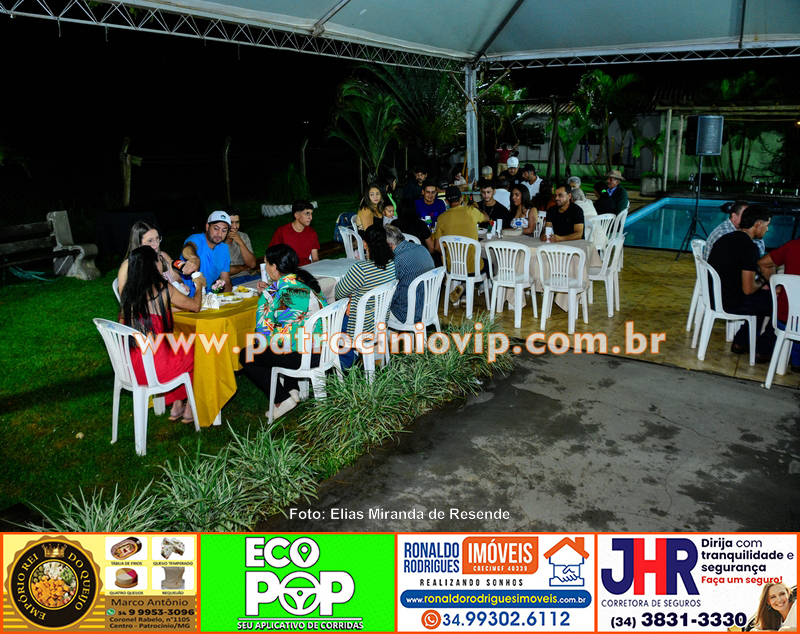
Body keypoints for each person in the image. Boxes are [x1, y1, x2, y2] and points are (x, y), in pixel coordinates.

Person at [239, 244, 328, 419]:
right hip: (323, 349)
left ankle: (282, 398)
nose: (266, 268)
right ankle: (292, 388)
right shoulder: (308, 282)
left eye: (266, 264)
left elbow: (262, 335)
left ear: (274, 267)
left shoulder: (274, 294)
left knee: (248, 354)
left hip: (301, 356)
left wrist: (267, 296)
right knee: (289, 338)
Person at [120, 246, 204, 423]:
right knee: (199, 347)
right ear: (152, 265)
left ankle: (177, 404)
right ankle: (190, 406)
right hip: (155, 369)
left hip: (132, 368)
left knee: (179, 348)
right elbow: (195, 306)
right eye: (159, 260)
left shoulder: (128, 292)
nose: (161, 263)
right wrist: (199, 286)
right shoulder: (162, 288)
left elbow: (149, 314)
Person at [707, 205, 775, 361]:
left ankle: (742, 341)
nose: (767, 229)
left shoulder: (725, 239)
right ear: (758, 224)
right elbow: (748, 290)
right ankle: (764, 349)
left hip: (715, 296)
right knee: (780, 304)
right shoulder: (749, 248)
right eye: (767, 225)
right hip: (731, 302)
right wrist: (763, 279)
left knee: (763, 298)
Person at [335, 225, 397, 366]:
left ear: (364, 243)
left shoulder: (361, 269)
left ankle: (344, 364)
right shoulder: (392, 265)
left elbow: (338, 293)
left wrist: (351, 297)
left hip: (359, 326)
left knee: (329, 324)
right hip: (380, 322)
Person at [433, 186, 490, 304]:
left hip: (453, 268)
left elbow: (437, 247)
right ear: (461, 199)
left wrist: (450, 253)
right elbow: (487, 218)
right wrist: (477, 207)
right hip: (472, 267)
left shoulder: (441, 218)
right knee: (489, 265)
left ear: (446, 201)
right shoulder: (471, 211)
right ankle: (464, 287)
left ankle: (463, 289)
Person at [759, 236, 800, 371]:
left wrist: (776, 285)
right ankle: (796, 360)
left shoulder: (792, 246)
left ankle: (765, 350)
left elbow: (763, 263)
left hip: (783, 319)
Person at [117, 221, 183, 296]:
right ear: (139, 244)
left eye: (157, 238)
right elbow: (125, 298)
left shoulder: (163, 257)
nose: (156, 244)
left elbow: (177, 278)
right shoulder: (127, 266)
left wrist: (180, 285)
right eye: (150, 241)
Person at [384, 225, 434, 324]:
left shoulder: (397, 261)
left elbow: (390, 295)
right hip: (428, 308)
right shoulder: (422, 248)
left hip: (406, 314)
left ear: (388, 244)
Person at [177, 211, 232, 297]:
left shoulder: (224, 249)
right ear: (207, 227)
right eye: (216, 228)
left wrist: (216, 294)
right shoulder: (196, 239)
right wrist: (194, 258)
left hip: (208, 297)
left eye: (224, 230)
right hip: (186, 296)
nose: (219, 234)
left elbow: (225, 280)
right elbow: (188, 248)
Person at [223, 207, 257, 276]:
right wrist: (243, 267)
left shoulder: (243, 236)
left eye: (237, 222)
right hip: (228, 279)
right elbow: (221, 271)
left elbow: (252, 264)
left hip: (247, 276)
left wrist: (240, 242)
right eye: (231, 223)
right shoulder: (217, 240)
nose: (235, 226)